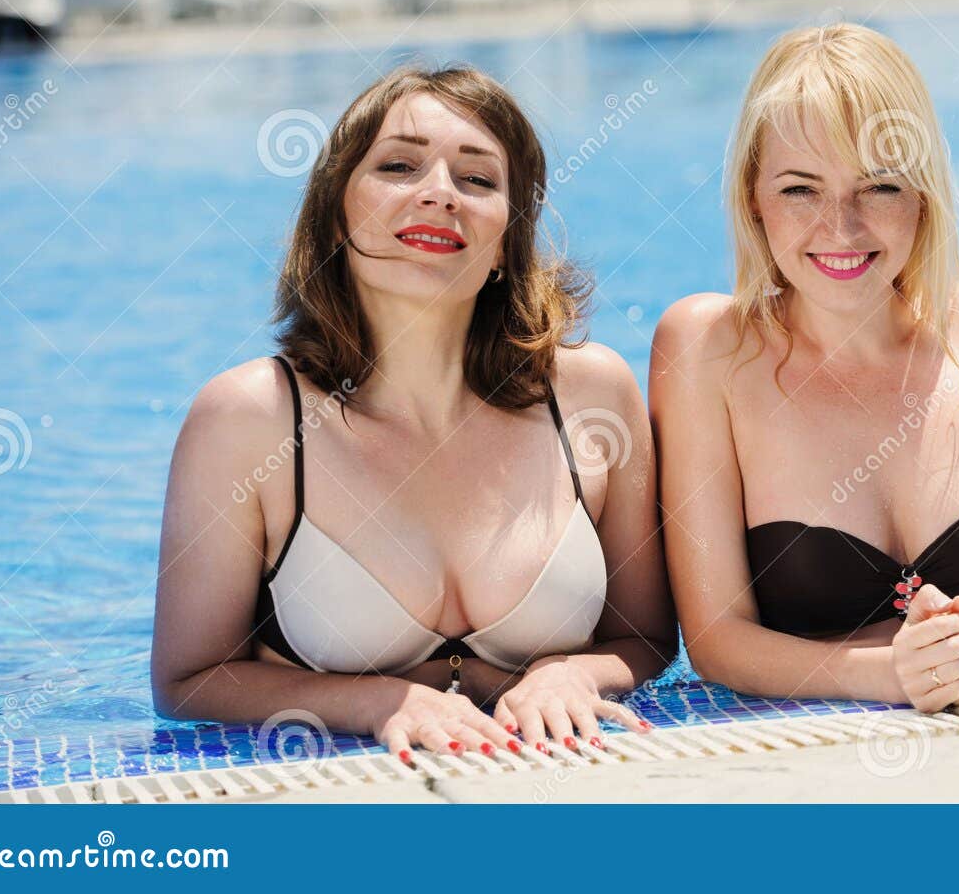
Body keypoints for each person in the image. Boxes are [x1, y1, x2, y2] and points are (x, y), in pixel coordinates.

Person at [152, 65, 676, 762]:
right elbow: (186, 681)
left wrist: (568, 671)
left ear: (507, 241)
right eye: (398, 166)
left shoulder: (592, 397)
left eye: (479, 179)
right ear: (336, 211)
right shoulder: (250, 420)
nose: (439, 193)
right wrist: (372, 701)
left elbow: (644, 637)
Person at [652, 23, 959, 713]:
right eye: (801, 189)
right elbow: (716, 638)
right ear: (752, 199)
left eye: (880, 187)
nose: (842, 227)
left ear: (923, 197)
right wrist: (886, 674)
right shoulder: (707, 349)